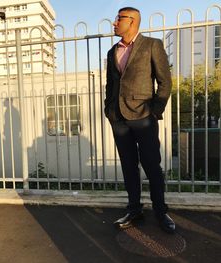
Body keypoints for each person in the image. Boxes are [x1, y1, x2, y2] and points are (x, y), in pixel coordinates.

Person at [104, 7, 175, 233]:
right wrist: (109, 110)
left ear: (132, 21)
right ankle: (134, 210)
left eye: (119, 18)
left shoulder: (152, 45)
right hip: (119, 119)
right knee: (128, 166)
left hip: (144, 117)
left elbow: (165, 82)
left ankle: (161, 211)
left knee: (152, 166)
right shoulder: (112, 51)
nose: (115, 23)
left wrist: (155, 110)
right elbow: (110, 85)